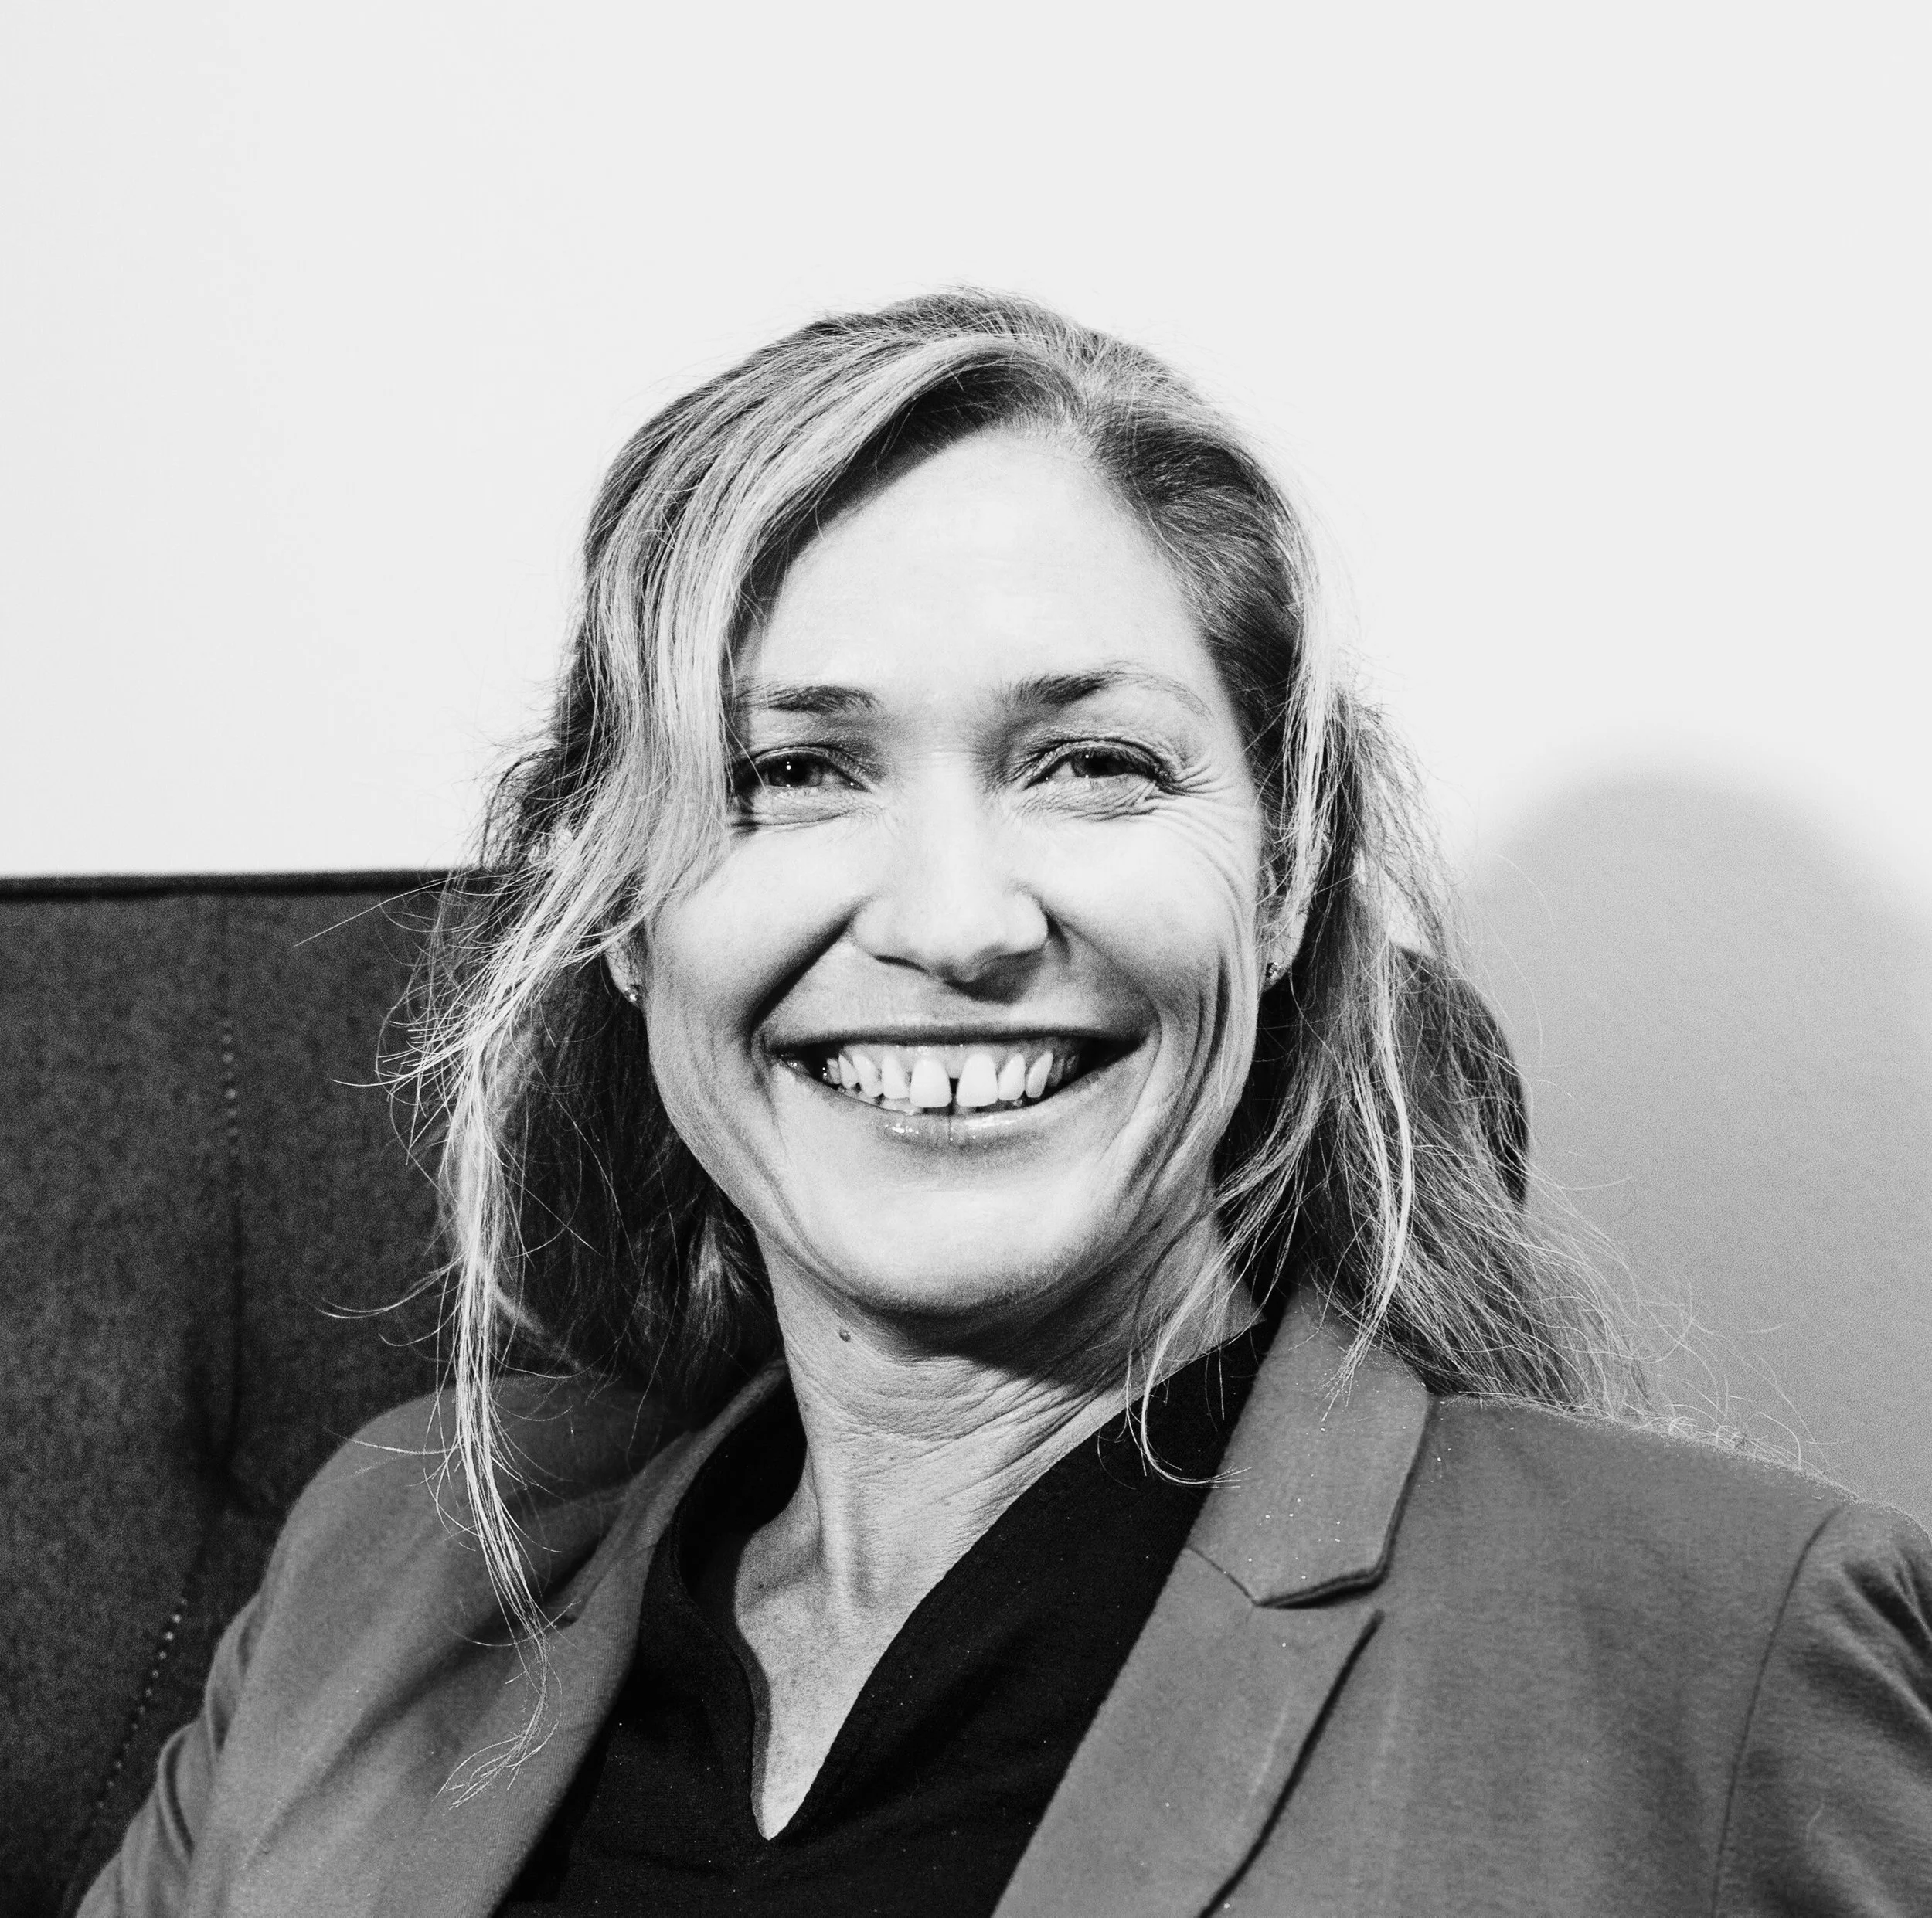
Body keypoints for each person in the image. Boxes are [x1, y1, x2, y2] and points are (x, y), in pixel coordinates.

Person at [83, 292, 1932, 1916]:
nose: (954, 918)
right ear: (621, 911)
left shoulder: (1723, 1649)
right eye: (795, 770)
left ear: (1282, 875)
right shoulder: (381, 1564)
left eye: (1092, 763)